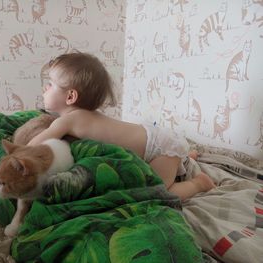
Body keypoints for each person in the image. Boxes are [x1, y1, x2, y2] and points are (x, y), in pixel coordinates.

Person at [28, 51, 216, 201]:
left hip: (159, 148)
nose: (45, 88)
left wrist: (15, 151)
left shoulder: (67, 121)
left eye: (50, 84)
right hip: (155, 140)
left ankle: (199, 183)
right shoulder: (80, 117)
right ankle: (184, 159)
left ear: (70, 97)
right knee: (170, 160)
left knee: (158, 193)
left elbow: (32, 148)